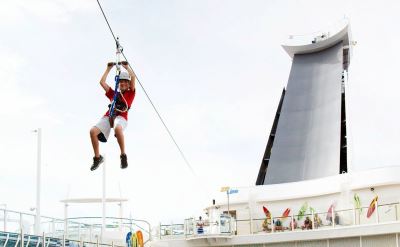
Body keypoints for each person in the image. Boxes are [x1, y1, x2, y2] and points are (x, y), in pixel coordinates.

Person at [90, 61, 136, 171]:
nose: (123, 83)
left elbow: (133, 76)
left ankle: (123, 155)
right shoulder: (114, 93)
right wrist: (108, 69)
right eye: (121, 82)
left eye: (125, 82)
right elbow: (102, 82)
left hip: (121, 118)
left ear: (129, 84)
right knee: (92, 132)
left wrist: (126, 67)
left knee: (117, 128)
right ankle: (97, 158)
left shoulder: (131, 93)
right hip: (109, 116)